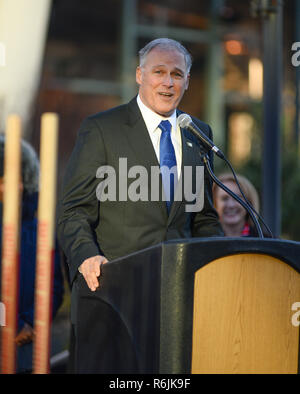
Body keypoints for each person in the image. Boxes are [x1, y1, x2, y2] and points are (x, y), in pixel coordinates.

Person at [57, 38, 224, 373]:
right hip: (113, 297)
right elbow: (74, 210)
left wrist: (221, 264)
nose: (167, 81)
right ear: (139, 75)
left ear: (187, 81)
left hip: (179, 303)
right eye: (159, 71)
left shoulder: (197, 134)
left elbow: (202, 217)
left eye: (177, 74)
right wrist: (86, 256)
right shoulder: (102, 129)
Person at [0, 135, 64, 373]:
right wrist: (11, 324)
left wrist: (32, 322)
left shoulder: (41, 230)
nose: (14, 187)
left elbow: (54, 287)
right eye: (4, 180)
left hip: (31, 347)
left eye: (19, 180)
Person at [212, 172, 261, 237]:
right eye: (224, 198)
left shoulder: (269, 243)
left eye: (237, 198)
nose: (231, 205)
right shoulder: (202, 243)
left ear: (249, 202)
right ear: (214, 202)